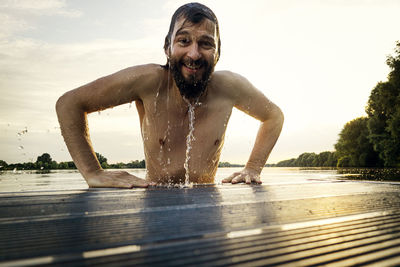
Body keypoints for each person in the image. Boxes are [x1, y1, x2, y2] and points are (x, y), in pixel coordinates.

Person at [56, 2, 284, 188]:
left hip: (207, 205)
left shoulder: (230, 86)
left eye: (206, 44)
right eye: (184, 41)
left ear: (217, 53)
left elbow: (274, 116)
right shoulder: (148, 81)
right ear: (167, 47)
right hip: (155, 198)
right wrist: (94, 172)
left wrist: (253, 167)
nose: (194, 54)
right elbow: (69, 104)